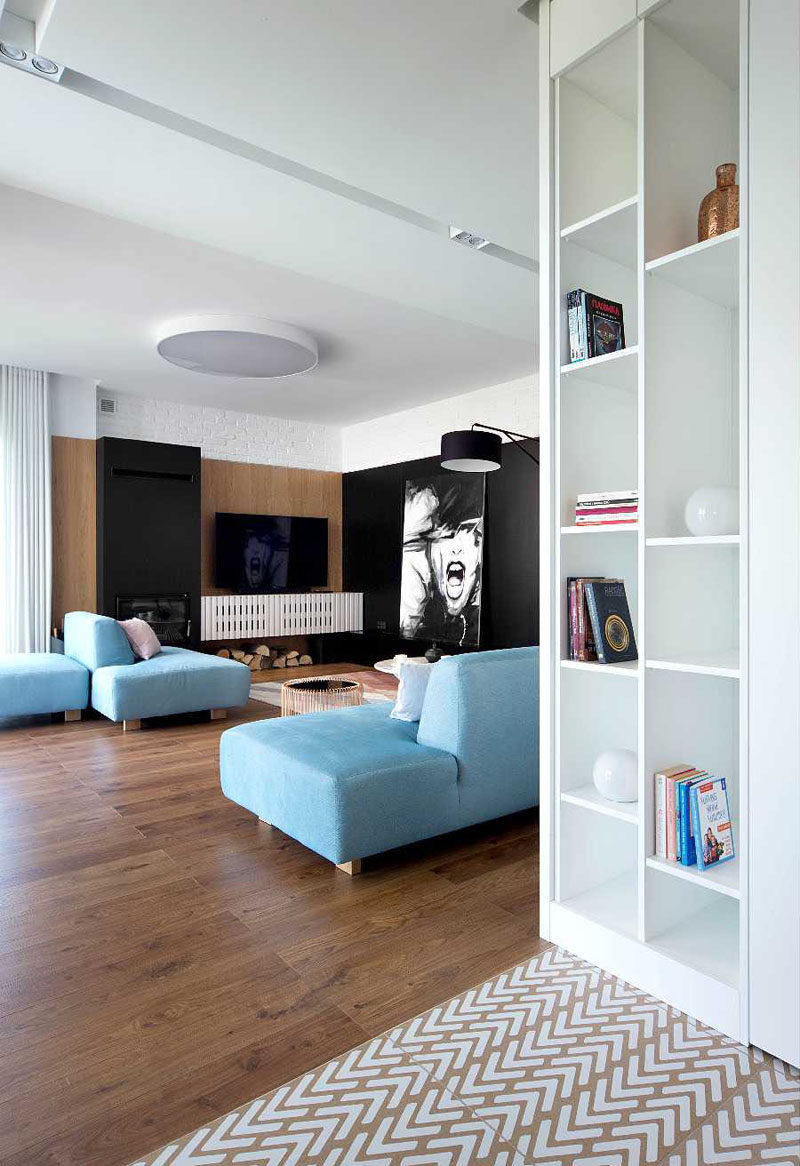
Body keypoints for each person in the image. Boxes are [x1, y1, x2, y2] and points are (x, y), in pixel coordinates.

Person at [400, 477, 484, 647]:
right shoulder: (416, 589)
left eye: (472, 538)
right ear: (429, 553)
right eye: (447, 537)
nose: (456, 550)